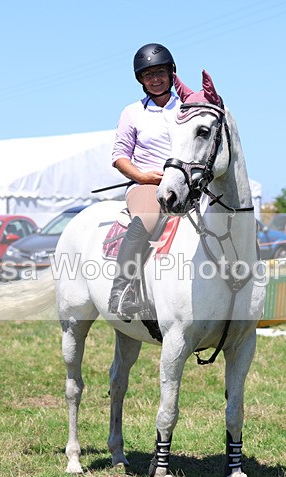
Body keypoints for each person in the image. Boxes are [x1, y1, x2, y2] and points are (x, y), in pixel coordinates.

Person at [109, 43, 180, 320]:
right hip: (148, 185)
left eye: (160, 72)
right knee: (149, 217)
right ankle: (121, 291)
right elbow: (119, 157)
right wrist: (142, 176)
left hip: (187, 185)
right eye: (148, 75)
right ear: (141, 80)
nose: (155, 79)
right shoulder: (132, 113)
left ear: (171, 73)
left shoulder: (187, 107)